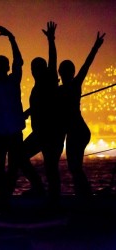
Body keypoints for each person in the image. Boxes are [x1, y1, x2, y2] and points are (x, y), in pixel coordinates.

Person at [0, 26, 42, 211]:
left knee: (3, 168)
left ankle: (3, 199)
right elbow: (18, 62)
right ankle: (5, 199)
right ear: (6, 67)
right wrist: (10, 37)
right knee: (9, 168)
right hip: (10, 132)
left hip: (3, 132)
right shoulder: (12, 81)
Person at [58, 32, 105, 198]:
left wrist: (95, 48)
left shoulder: (63, 89)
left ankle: (85, 196)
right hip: (78, 131)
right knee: (74, 167)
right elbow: (86, 65)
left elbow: (86, 65)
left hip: (76, 132)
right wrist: (95, 47)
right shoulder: (72, 86)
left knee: (74, 167)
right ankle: (84, 194)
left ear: (60, 73)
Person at [25, 21, 65, 204]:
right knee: (23, 156)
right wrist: (28, 112)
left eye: (36, 68)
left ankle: (51, 199)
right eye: (33, 68)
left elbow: (53, 59)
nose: (34, 71)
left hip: (50, 133)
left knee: (50, 167)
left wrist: (51, 40)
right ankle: (41, 189)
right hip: (42, 132)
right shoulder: (39, 85)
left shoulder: (48, 80)